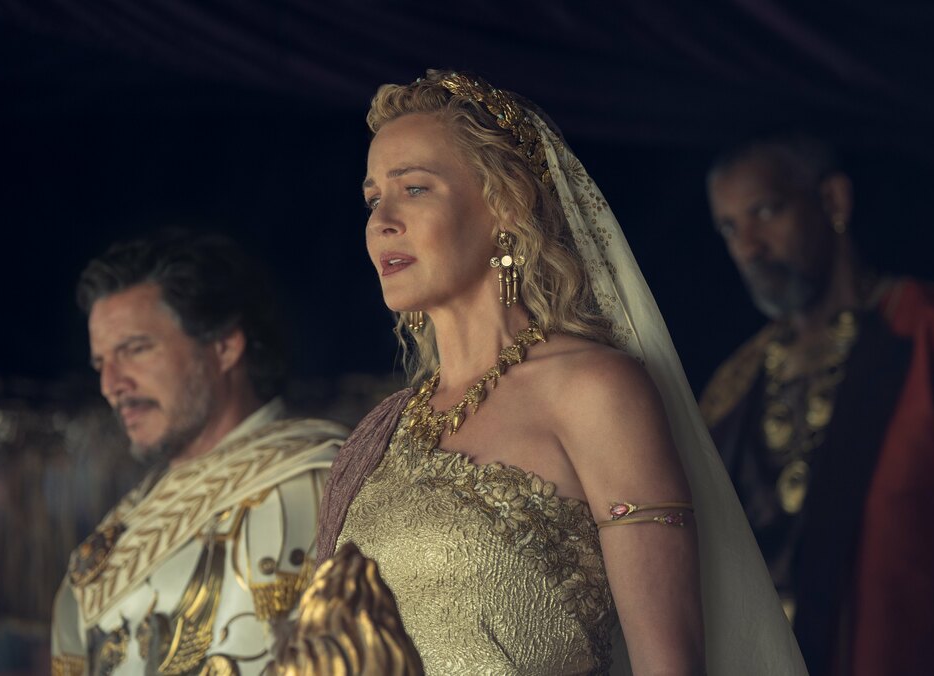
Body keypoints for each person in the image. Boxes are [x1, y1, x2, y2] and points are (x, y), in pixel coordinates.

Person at [314, 71, 806, 675]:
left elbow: (669, 665)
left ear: (505, 206)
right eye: (372, 200)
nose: (381, 221)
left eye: (414, 189)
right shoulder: (379, 436)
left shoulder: (593, 391)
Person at [700, 134, 934, 675]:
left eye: (765, 212)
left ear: (833, 201)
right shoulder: (732, 390)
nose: (748, 248)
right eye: (728, 228)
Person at [50, 231, 347, 675]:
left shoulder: (327, 482)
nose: (111, 385)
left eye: (135, 350)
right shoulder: (132, 515)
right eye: (101, 364)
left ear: (224, 346)